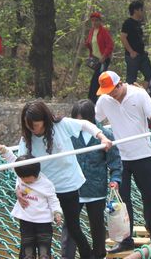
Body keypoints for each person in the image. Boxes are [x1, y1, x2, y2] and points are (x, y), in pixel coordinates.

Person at [0, 101, 113, 259]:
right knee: (32, 231)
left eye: (36, 125)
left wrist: (102, 137)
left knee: (73, 227)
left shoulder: (61, 125)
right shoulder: (27, 139)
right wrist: (18, 189)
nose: (33, 129)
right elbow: (21, 166)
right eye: (29, 125)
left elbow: (86, 125)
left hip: (67, 185)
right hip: (42, 190)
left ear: (45, 120)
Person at [95, 71, 151, 252]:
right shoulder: (104, 100)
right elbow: (94, 120)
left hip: (142, 154)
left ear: (120, 84)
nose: (110, 94)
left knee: (148, 195)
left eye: (112, 90)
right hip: (120, 158)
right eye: (106, 91)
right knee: (123, 200)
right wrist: (102, 136)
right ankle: (127, 240)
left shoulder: (139, 94)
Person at [58, 99, 122, 259]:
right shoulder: (70, 135)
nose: (79, 123)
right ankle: (68, 256)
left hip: (96, 188)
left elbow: (115, 161)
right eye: (76, 119)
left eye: (83, 119)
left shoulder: (105, 135)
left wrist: (115, 179)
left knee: (97, 225)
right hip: (73, 188)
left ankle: (98, 254)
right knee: (70, 225)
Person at [0, 148, 62, 259]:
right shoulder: (21, 174)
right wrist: (4, 150)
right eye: (23, 179)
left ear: (36, 174)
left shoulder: (46, 184)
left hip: (43, 221)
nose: (25, 182)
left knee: (44, 251)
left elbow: (53, 199)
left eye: (29, 180)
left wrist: (57, 212)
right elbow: (13, 161)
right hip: (26, 220)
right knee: (27, 250)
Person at [121, 1, 151, 85]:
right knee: (131, 80)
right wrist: (131, 51)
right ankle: (130, 96)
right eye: (141, 10)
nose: (142, 12)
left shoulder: (138, 23)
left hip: (142, 55)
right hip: (132, 57)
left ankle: (144, 94)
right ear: (135, 10)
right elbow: (123, 37)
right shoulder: (128, 23)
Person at [85, 12, 114, 103]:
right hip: (96, 59)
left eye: (96, 20)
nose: (94, 22)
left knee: (97, 79)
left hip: (103, 60)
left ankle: (93, 100)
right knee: (99, 79)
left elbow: (110, 45)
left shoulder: (103, 31)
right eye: (92, 21)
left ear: (100, 21)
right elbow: (90, 43)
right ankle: (100, 99)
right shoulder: (91, 31)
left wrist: (104, 56)